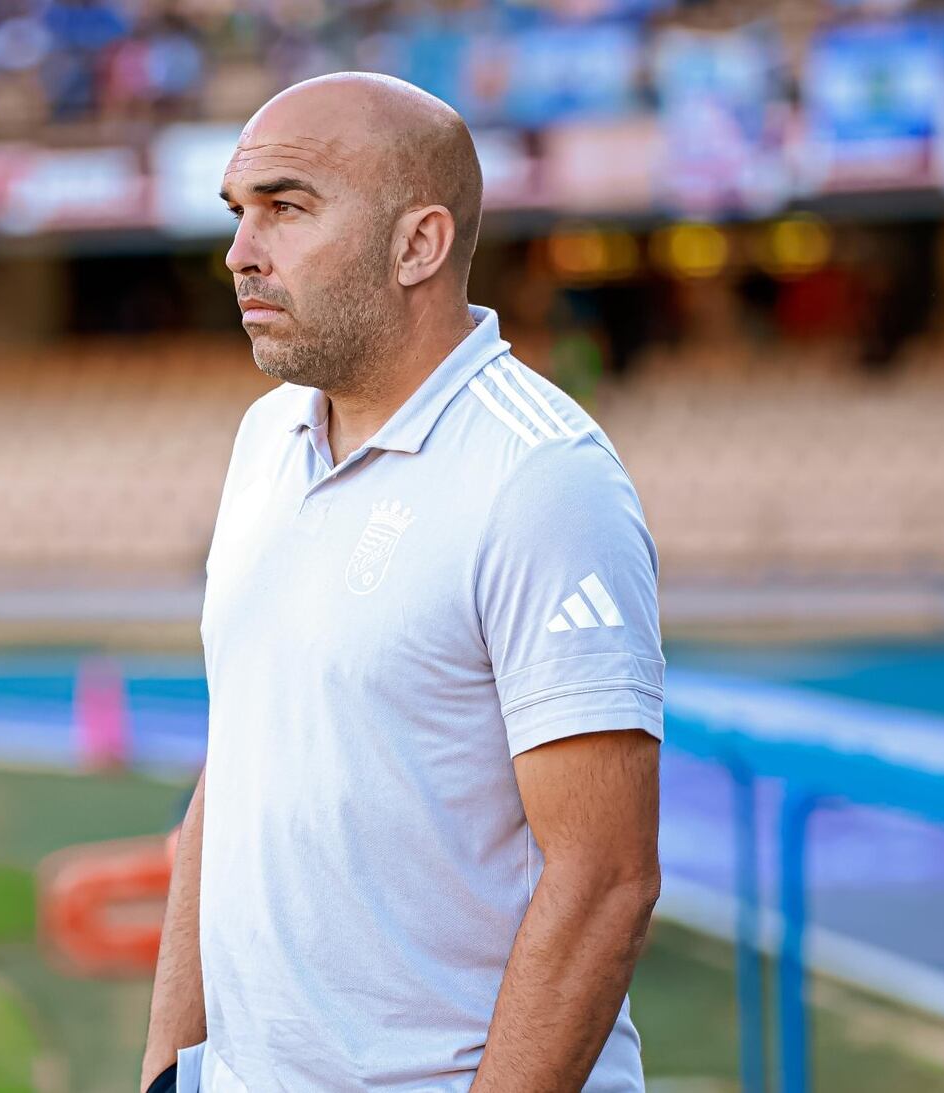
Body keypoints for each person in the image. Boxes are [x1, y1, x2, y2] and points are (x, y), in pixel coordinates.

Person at [140, 73, 664, 1093]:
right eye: (238, 214)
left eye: (285, 209)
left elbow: (603, 879)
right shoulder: (263, 437)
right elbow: (237, 763)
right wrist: (171, 1067)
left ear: (417, 244)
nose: (239, 252)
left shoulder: (539, 476)